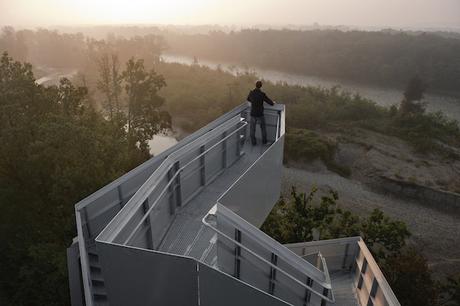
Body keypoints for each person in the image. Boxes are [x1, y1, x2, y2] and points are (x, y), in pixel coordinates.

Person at [247, 80, 275, 145]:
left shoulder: (251, 93)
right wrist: (273, 103)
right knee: (263, 128)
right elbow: (269, 102)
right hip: (260, 114)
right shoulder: (262, 94)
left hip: (253, 113)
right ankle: (264, 142)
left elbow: (248, 99)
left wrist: (253, 102)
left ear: (255, 85)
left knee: (252, 129)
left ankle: (253, 142)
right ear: (261, 86)